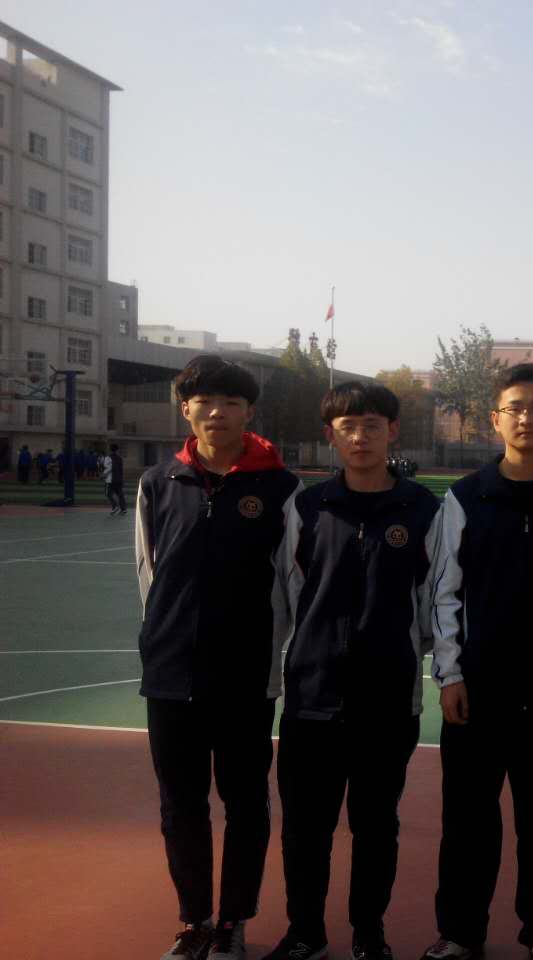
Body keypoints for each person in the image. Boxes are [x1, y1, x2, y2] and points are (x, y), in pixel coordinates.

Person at [135, 355, 302, 960]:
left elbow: (292, 581)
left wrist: (278, 656)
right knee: (179, 805)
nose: (217, 412)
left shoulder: (280, 488)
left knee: (246, 804)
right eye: (205, 401)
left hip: (245, 675)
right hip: (170, 675)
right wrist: (159, 642)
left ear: (248, 412)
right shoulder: (158, 483)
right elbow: (147, 573)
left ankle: (233, 919)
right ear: (186, 409)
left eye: (231, 402)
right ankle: (194, 920)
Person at [422, 363, 533, 960]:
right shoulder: (466, 497)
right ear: (496, 419)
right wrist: (450, 674)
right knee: (468, 824)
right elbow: (443, 592)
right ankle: (460, 933)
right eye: (515, 408)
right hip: (479, 689)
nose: (526, 418)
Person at [265, 382, 439, 960]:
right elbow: (285, 597)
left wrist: (404, 654)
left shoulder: (422, 510)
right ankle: (305, 934)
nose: (360, 436)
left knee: (376, 827)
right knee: (304, 829)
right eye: (347, 427)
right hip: (311, 698)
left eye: (371, 425)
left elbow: (432, 601)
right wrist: (287, 670)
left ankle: (369, 934)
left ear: (393, 431)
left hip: (387, 701)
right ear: (330, 436)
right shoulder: (306, 507)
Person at [105, 444, 127, 516]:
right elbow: (121, 470)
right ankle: (123, 509)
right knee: (120, 494)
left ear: (110, 450)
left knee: (108, 494)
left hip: (111, 479)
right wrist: (122, 479)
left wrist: (103, 475)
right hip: (118, 479)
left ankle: (115, 506)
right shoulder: (119, 458)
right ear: (117, 450)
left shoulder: (108, 458)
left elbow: (108, 469)